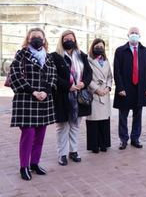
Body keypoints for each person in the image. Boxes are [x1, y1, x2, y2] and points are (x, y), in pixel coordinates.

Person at [9, 27, 57, 180]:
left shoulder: (48, 57)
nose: (37, 39)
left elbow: (53, 75)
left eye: (39, 37)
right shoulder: (21, 54)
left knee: (40, 135)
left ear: (44, 40)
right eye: (33, 37)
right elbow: (15, 74)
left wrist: (46, 91)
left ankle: (34, 163)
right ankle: (24, 166)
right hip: (27, 100)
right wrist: (33, 91)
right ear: (28, 39)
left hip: (44, 100)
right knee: (28, 135)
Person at [51, 30, 92, 166]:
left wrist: (83, 83)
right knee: (62, 127)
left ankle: (73, 151)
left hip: (79, 96)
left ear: (75, 40)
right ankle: (62, 154)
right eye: (66, 39)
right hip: (63, 96)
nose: (69, 41)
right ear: (62, 41)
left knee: (75, 125)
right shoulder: (55, 57)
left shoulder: (82, 56)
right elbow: (53, 77)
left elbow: (88, 73)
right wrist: (68, 86)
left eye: (71, 38)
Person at [113, 26, 146, 150]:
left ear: (140, 36)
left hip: (140, 89)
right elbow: (116, 71)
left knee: (138, 116)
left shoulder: (145, 51)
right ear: (127, 35)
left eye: (136, 33)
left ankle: (135, 138)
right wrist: (120, 88)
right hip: (125, 89)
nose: (134, 35)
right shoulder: (120, 51)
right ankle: (123, 140)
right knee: (123, 116)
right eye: (132, 33)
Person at [86, 38, 113, 153]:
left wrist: (108, 88)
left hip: (105, 93)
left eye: (101, 47)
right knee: (94, 121)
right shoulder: (87, 60)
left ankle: (104, 144)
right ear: (92, 47)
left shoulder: (106, 61)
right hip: (94, 94)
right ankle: (94, 145)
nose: (99, 49)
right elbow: (86, 77)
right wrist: (96, 89)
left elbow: (110, 77)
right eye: (97, 47)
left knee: (104, 121)